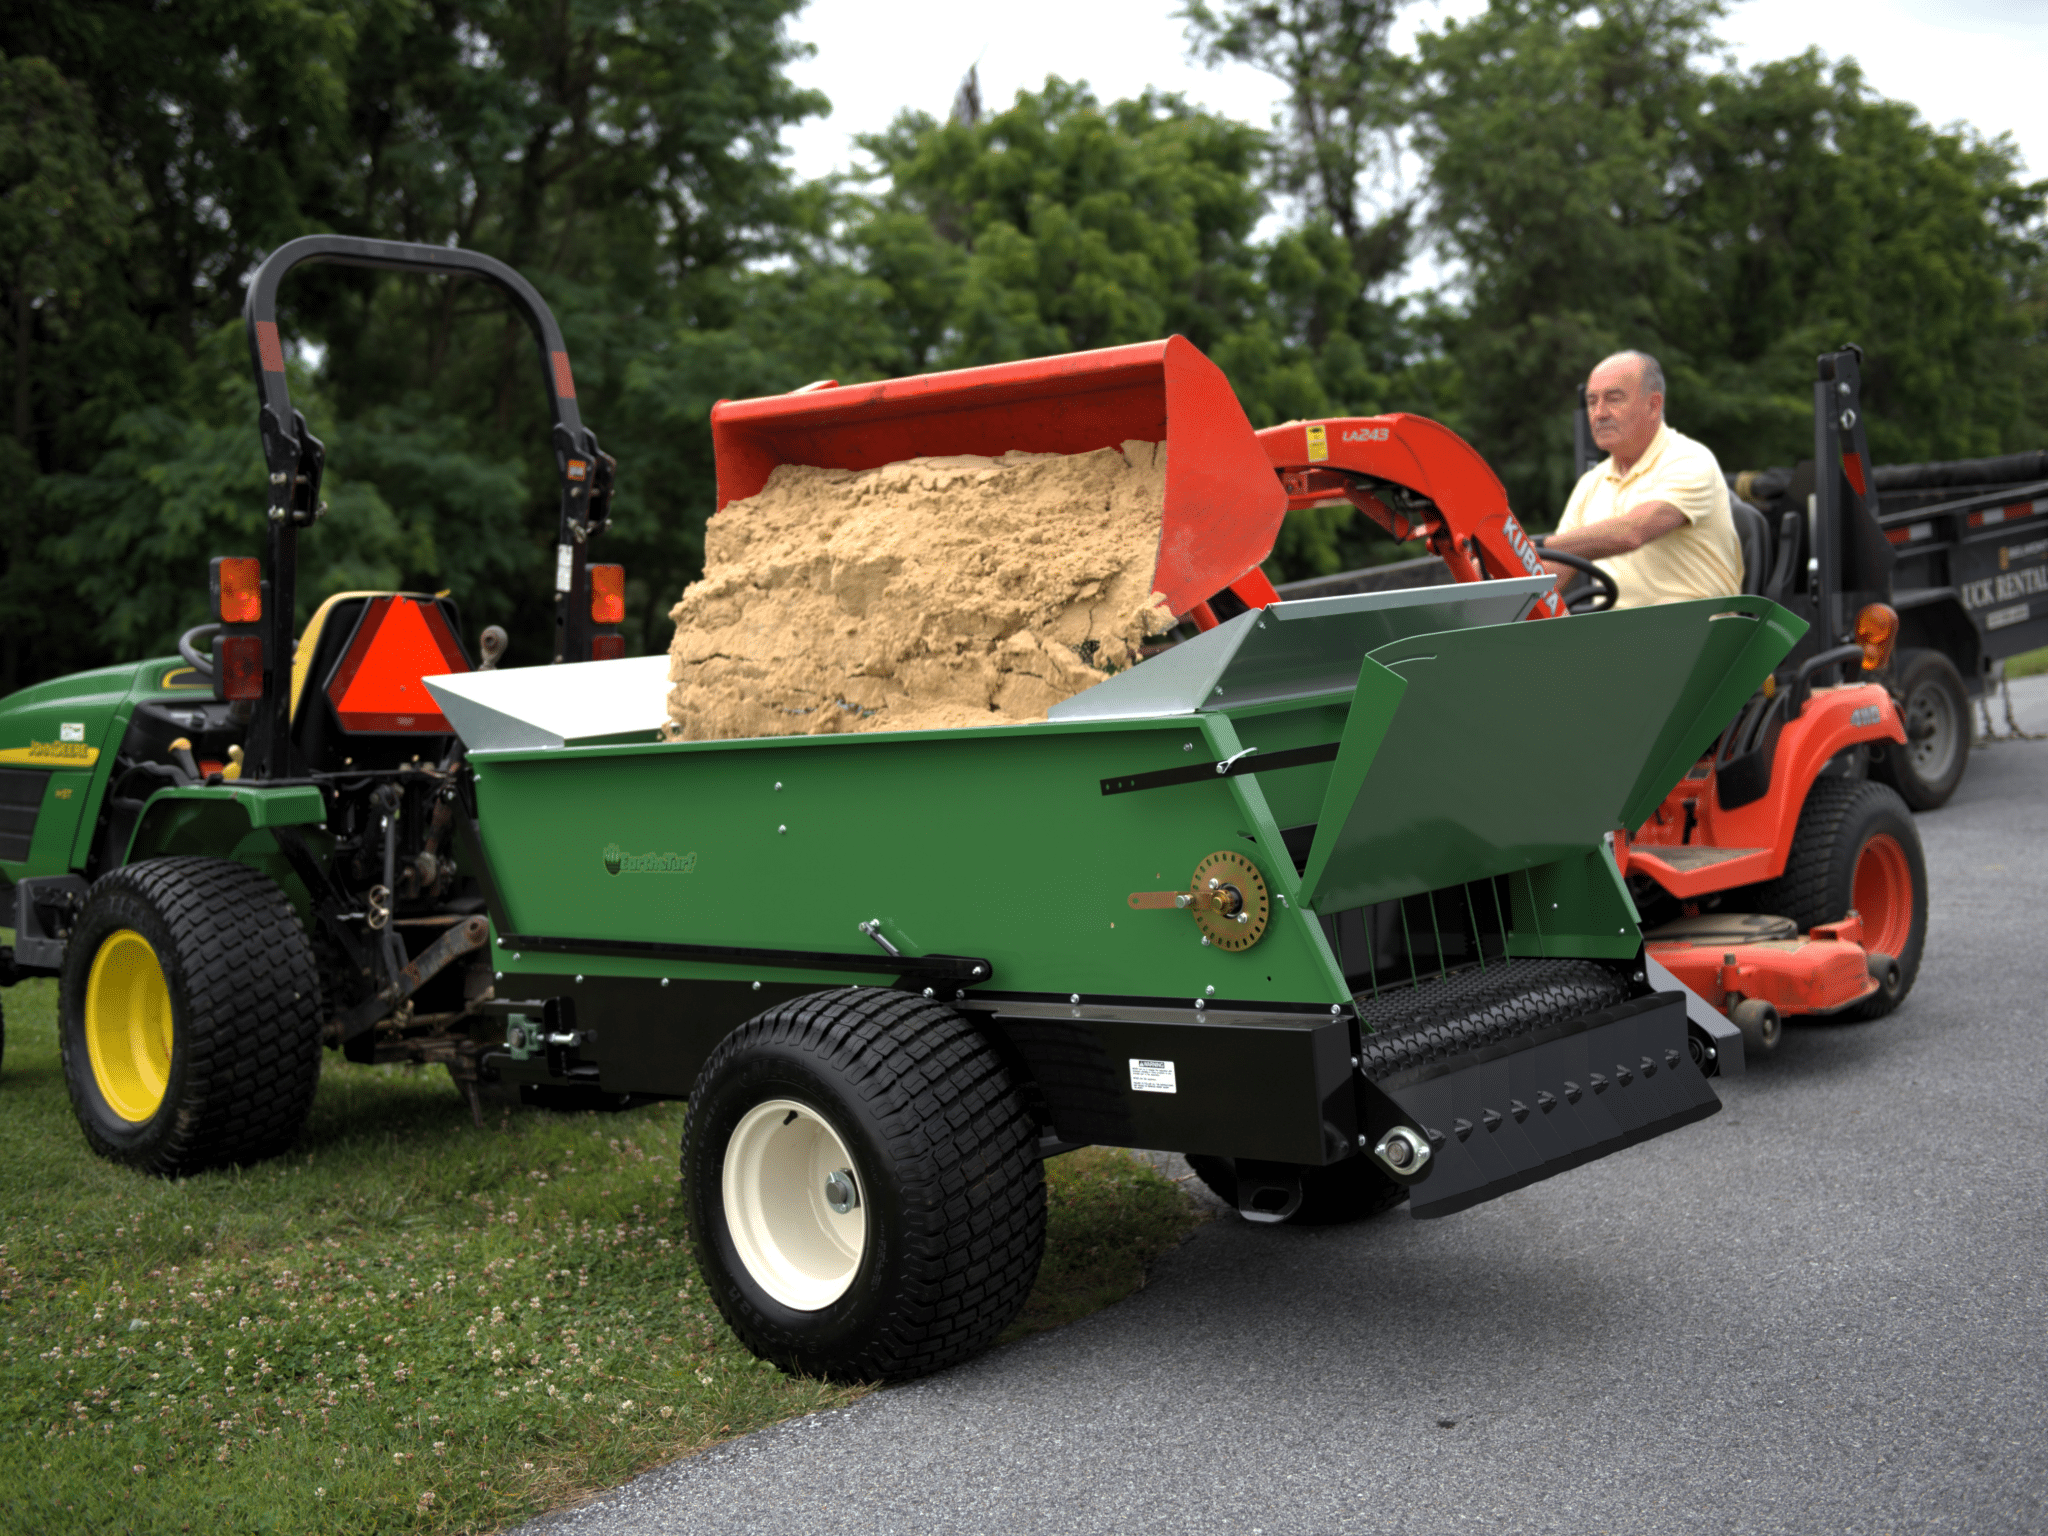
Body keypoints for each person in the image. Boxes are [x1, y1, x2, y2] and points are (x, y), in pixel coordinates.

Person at [1543, 351, 1742, 608]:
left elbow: (1631, 533)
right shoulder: (1590, 483)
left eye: (1614, 399)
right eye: (1592, 402)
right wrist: (1488, 571)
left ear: (1653, 404)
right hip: (1619, 637)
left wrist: (1535, 544)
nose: (1599, 413)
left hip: (1698, 634)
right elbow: (1552, 569)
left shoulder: (1690, 460)